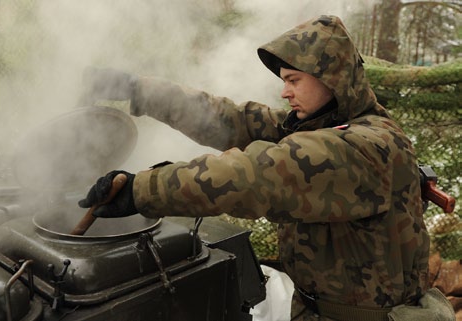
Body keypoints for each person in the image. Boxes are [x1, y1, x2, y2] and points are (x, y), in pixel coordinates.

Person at [77, 15, 455, 321]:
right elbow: (231, 121)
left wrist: (142, 190)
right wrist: (138, 89)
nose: (285, 91)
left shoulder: (366, 146)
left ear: (333, 80)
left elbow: (256, 175)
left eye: (294, 81)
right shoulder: (322, 123)